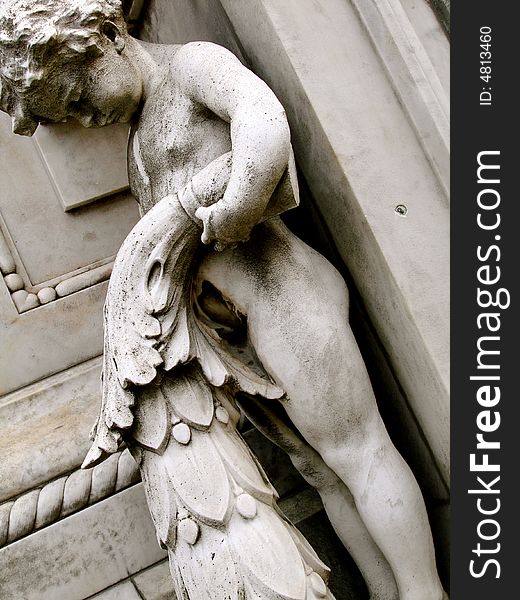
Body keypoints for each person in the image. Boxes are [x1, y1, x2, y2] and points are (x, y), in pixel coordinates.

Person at [0, 2, 446, 599]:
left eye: (80, 97)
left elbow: (261, 119)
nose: (87, 118)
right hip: (237, 334)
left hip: (282, 291)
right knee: (323, 476)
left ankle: (425, 592)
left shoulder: (191, 66)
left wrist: (240, 199)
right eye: (74, 115)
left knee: (360, 453)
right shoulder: (137, 137)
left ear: (109, 35)